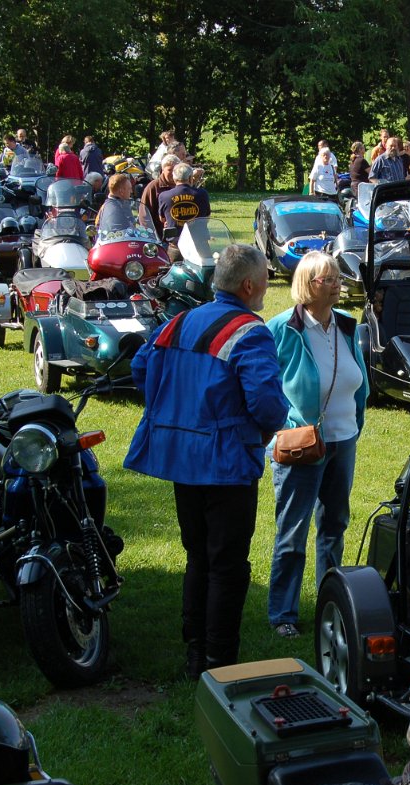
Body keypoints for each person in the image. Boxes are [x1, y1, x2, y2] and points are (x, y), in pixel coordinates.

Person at [124, 244, 289, 676]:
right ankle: (219, 662)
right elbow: (268, 404)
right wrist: (260, 428)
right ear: (249, 285)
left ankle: (196, 654)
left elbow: (140, 369)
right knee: (228, 564)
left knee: (197, 557)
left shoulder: (177, 322)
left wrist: (179, 406)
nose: (267, 292)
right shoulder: (249, 331)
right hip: (227, 463)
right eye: (266, 283)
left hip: (183, 460)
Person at [266, 252, 368, 638]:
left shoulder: (345, 325)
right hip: (303, 445)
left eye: (338, 277)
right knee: (292, 532)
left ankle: (330, 603)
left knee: (334, 527)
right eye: (328, 278)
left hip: (344, 440)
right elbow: (261, 383)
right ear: (309, 286)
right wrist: (283, 425)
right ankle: (283, 614)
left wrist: (355, 423)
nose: (338, 283)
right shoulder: (282, 328)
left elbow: (357, 379)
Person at [158, 163, 212, 255]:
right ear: (191, 178)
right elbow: (207, 217)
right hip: (199, 245)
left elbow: (162, 219)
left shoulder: (164, 196)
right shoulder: (202, 194)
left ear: (174, 179)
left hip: (176, 247)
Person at [138, 154, 179, 236]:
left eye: (175, 170)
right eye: (170, 170)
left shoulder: (181, 187)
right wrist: (151, 236)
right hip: (159, 237)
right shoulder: (153, 187)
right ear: (162, 170)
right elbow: (144, 215)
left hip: (179, 237)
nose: (173, 173)